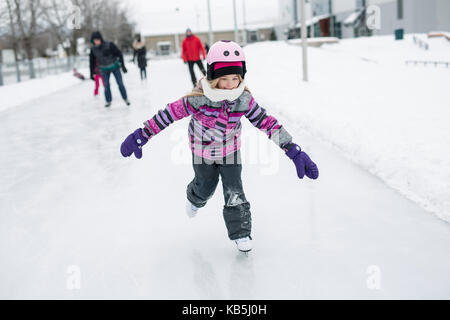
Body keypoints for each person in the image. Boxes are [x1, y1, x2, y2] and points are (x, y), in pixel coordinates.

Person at [120, 41, 319, 253]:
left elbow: (266, 122)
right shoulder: (199, 98)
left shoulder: (243, 99)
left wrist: (291, 148)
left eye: (236, 78)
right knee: (206, 186)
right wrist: (143, 134)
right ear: (213, 77)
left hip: (230, 150)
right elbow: (168, 114)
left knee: (234, 189)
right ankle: (194, 197)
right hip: (202, 151)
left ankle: (241, 232)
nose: (231, 84)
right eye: (224, 79)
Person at [89, 31, 130, 107]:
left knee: (120, 83)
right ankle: (108, 101)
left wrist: (123, 66)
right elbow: (91, 62)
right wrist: (91, 73)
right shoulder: (93, 49)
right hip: (104, 69)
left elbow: (119, 54)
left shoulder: (109, 45)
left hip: (115, 67)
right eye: (94, 40)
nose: (96, 42)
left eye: (97, 40)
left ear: (100, 39)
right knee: (106, 85)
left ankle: (125, 98)